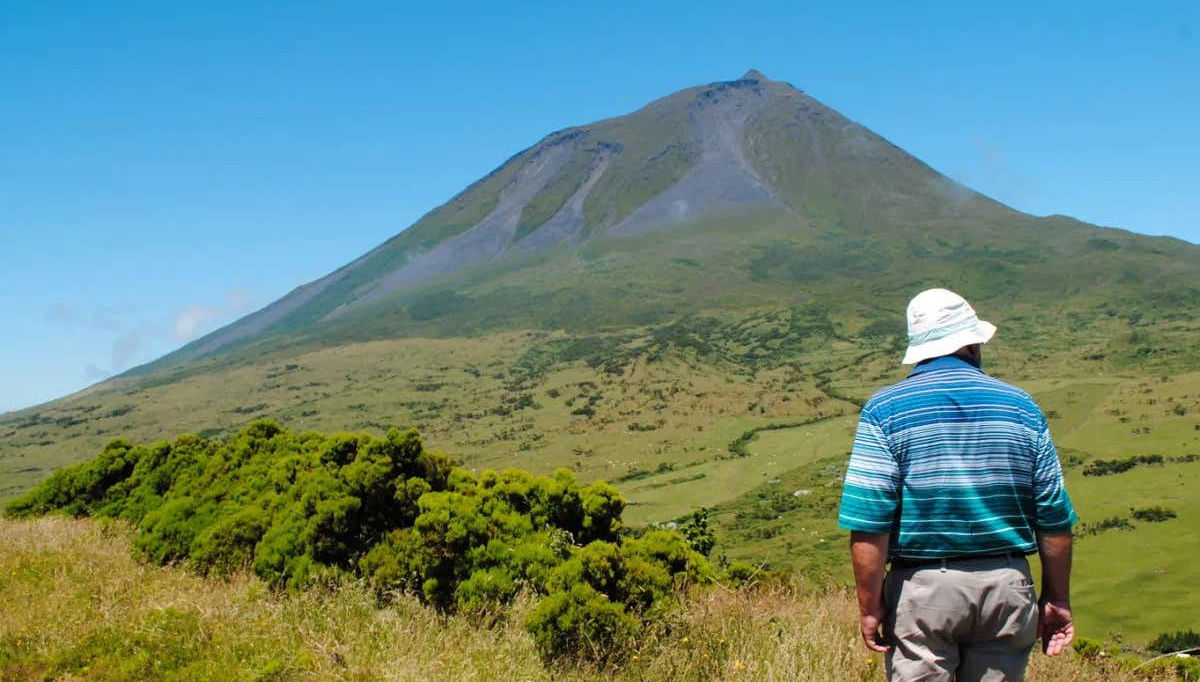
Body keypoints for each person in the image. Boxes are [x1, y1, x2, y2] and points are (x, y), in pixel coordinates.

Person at [837, 288, 1077, 682]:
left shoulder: (885, 409)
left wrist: (869, 605)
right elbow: (1053, 516)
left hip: (924, 588)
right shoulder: (1022, 406)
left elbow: (869, 519)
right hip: (1007, 585)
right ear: (973, 342)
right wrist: (1057, 597)